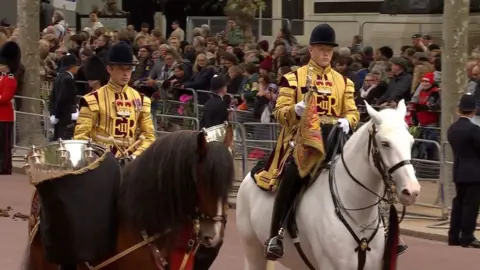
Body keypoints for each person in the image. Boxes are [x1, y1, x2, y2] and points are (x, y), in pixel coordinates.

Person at [73, 41, 155, 160]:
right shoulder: (93, 99)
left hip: (132, 163)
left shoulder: (142, 100)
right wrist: (97, 159)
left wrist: (135, 157)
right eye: (120, 69)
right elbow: (81, 137)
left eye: (129, 69)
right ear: (109, 69)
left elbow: (148, 136)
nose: (126, 73)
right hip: (101, 162)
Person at [447, 93, 480, 248]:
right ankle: (467, 235)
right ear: (473, 111)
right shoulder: (474, 129)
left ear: (459, 110)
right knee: (471, 205)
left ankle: (453, 235)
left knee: (458, 203)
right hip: (474, 172)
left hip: (459, 169)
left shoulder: (453, 128)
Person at [0, 41, 21, 175]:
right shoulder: (2, 79)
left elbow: (5, 98)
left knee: (4, 144)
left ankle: (5, 167)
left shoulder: (10, 80)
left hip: (5, 116)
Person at [49, 53, 79, 140]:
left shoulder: (60, 77)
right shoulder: (68, 79)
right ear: (71, 66)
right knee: (64, 140)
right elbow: (62, 99)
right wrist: (57, 115)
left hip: (59, 115)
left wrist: (54, 113)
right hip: (65, 116)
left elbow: (53, 96)